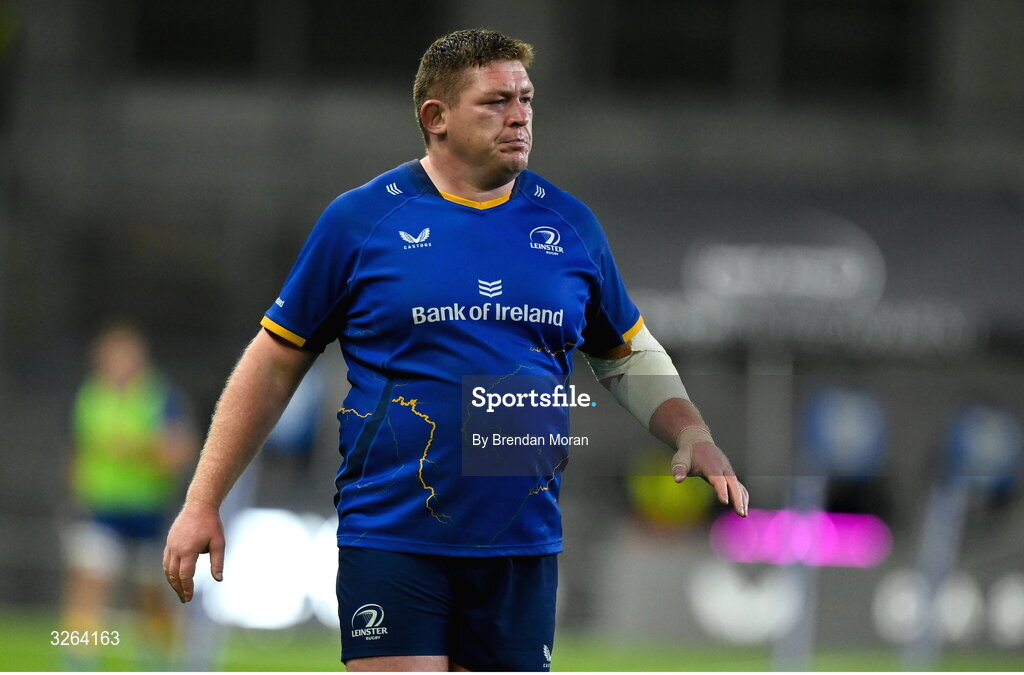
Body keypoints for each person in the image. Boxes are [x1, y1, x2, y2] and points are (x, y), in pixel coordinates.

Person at [164, 28, 749, 671]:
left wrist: (690, 430)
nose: (520, 116)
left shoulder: (570, 225)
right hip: (393, 536)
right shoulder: (361, 222)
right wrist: (202, 501)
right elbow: (274, 362)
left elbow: (626, 353)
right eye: (496, 101)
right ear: (435, 117)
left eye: (526, 99)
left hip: (522, 544)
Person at [63, 321, 196, 669]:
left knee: (151, 590)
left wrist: (139, 448)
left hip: (148, 510)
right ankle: (77, 657)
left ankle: (163, 657)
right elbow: (78, 449)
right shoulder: (90, 395)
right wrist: (76, 492)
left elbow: (180, 450)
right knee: (90, 581)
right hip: (100, 508)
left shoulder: (159, 395)